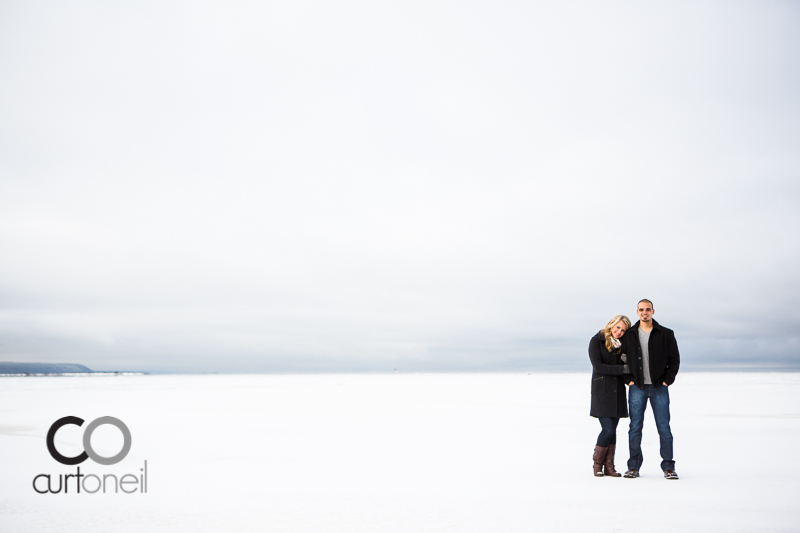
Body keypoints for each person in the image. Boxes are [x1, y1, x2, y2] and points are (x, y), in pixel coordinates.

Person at [622, 299, 680, 480]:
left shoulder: (666, 333)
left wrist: (667, 381)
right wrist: (628, 380)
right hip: (637, 387)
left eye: (647, 310)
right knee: (635, 427)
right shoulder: (629, 334)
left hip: (659, 387)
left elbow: (674, 359)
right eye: (641, 310)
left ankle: (668, 467)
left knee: (664, 427)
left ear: (653, 312)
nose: (644, 312)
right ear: (637, 312)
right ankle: (633, 467)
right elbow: (621, 360)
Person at [588, 315, 632, 477]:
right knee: (607, 429)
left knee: (613, 430)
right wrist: (623, 369)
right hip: (602, 392)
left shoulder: (621, 345)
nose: (619, 332)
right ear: (611, 324)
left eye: (623, 330)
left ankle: (610, 467)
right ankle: (597, 465)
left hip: (618, 392)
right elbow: (598, 366)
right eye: (618, 327)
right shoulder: (596, 340)